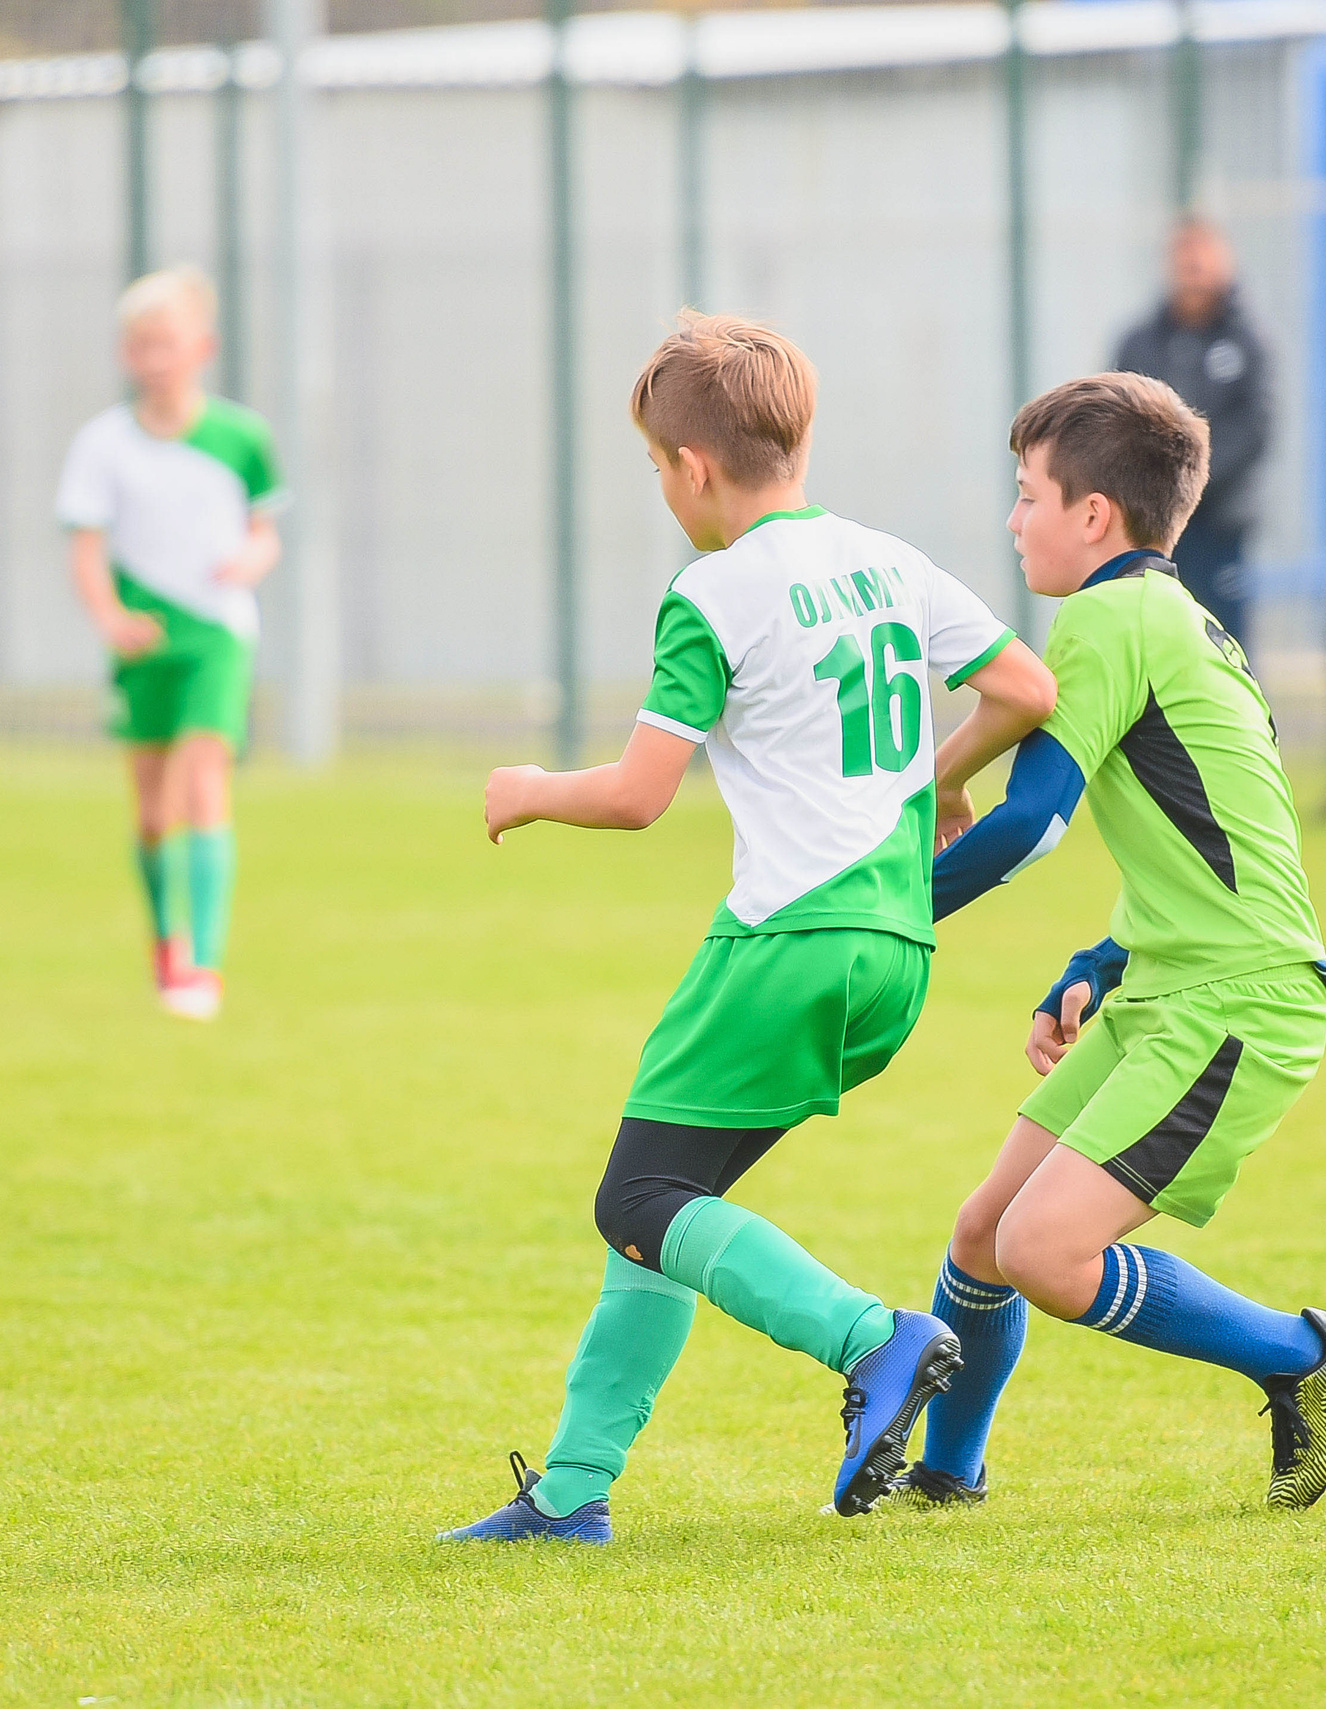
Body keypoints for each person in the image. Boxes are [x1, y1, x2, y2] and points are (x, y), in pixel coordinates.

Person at [438, 312, 1056, 1544]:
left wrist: (528, 789)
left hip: (783, 943)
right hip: (895, 952)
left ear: (692, 467)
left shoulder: (710, 593)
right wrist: (941, 776)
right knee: (671, 1199)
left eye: (656, 466)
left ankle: (872, 1338)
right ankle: (571, 1490)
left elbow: (636, 794)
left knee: (641, 1193)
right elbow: (1026, 689)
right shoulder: (888, 561)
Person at [908, 372, 1326, 1512]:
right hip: (1175, 980)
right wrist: (1100, 958)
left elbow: (1031, 824)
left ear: (1094, 516)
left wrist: (887, 907)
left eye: (1027, 494)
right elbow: (1210, 836)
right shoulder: (1181, 620)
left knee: (1046, 1253)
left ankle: (1304, 1356)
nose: (1013, 519)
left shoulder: (1109, 617)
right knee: (984, 1229)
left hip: (1236, 1002)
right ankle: (943, 1473)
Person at [57, 267, 285, 1021]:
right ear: (127, 353)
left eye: (168, 342)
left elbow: (264, 530)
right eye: (141, 344)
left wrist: (250, 561)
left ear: (201, 348)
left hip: (217, 632)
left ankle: (202, 968)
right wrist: (109, 618)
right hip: (143, 638)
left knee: (202, 781)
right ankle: (165, 940)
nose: (155, 357)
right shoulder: (102, 445)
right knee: (153, 809)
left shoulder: (241, 436)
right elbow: (86, 550)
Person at [1109, 216, 1272, 652]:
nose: (1193, 264)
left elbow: (1255, 429)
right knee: (1150, 643)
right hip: (1148, 526)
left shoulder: (1247, 343)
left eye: (1203, 252)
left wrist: (1191, 482)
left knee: (1223, 640)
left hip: (1218, 525)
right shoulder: (1139, 343)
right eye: (1184, 253)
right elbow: (1114, 423)